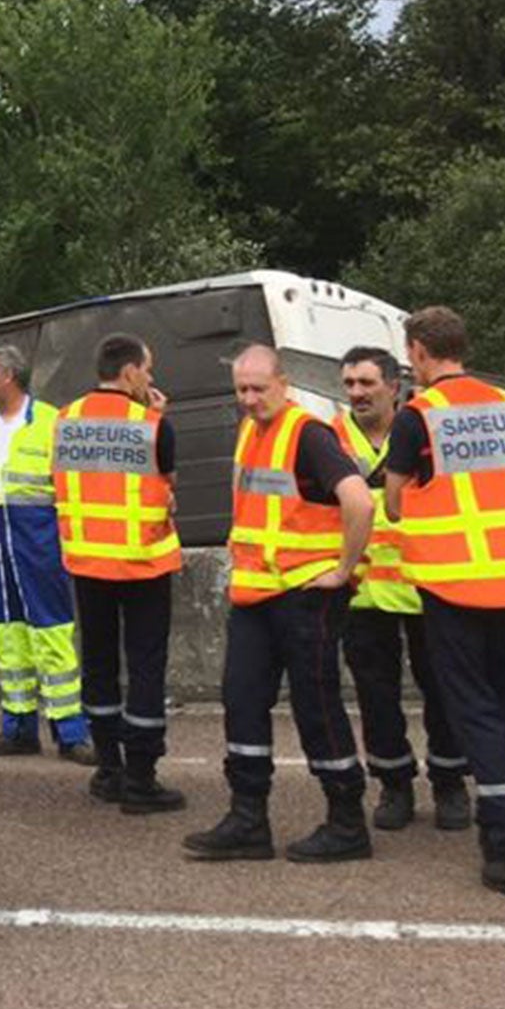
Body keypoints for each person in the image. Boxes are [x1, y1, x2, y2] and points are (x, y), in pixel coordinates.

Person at [385, 306, 505, 904]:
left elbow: (392, 504)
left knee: (475, 715)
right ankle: (503, 830)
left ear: (417, 351)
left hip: (457, 587)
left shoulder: (419, 416)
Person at [185, 345, 376, 865]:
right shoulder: (252, 431)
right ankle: (248, 819)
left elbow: (360, 501)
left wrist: (342, 570)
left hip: (304, 596)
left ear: (283, 384)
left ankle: (347, 822)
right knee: (242, 700)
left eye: (258, 389)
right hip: (256, 594)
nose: (249, 399)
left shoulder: (307, 434)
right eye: (241, 390)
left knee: (316, 706)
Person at [333, 346, 472, 833]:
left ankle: (450, 782)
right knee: (376, 695)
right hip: (363, 591)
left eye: (367, 383)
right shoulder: (331, 438)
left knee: (443, 691)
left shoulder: (426, 431)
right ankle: (393, 783)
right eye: (349, 383)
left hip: (425, 585)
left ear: (394, 385)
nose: (356, 393)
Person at [52, 333, 185, 815]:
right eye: (146, 370)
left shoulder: (65, 421)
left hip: (87, 563)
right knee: (146, 668)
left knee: (99, 665)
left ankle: (108, 768)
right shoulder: (152, 425)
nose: (149, 378)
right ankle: (142, 778)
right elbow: (165, 486)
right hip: (143, 563)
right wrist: (158, 417)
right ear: (129, 372)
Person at [0, 345, 91, 762]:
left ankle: (71, 733)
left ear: (9, 376)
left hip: (39, 538)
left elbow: (72, 489)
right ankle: (18, 727)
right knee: (9, 635)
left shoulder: (50, 421)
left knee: (52, 631)